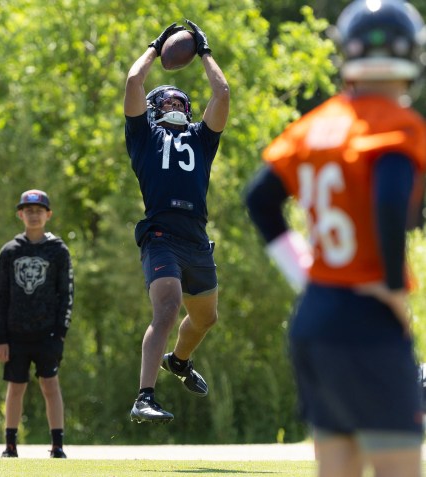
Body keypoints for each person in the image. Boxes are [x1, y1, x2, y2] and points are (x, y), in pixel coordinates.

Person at [244, 1, 426, 475]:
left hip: (315, 317)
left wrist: (304, 273)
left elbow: (259, 199)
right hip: (367, 320)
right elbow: (388, 199)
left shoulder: (316, 123)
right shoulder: (396, 124)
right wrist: (389, 285)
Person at [124, 20, 230, 423]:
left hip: (196, 237)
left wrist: (204, 51)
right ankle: (144, 397)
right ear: (152, 110)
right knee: (167, 307)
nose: (174, 107)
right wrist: (155, 47)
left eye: (179, 103)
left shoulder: (201, 140)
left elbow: (221, 93)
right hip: (161, 233)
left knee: (206, 318)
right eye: (165, 102)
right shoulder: (144, 138)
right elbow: (134, 80)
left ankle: (179, 362)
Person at [0, 189, 73, 458]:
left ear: (48, 214)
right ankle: (10, 445)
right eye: (28, 210)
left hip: (47, 332)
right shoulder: (10, 251)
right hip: (15, 334)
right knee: (16, 387)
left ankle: (57, 445)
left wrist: (60, 332)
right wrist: (0, 337)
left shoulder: (58, 250)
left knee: (50, 385)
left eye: (39, 210)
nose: (34, 215)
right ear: (20, 214)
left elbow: (67, 292)